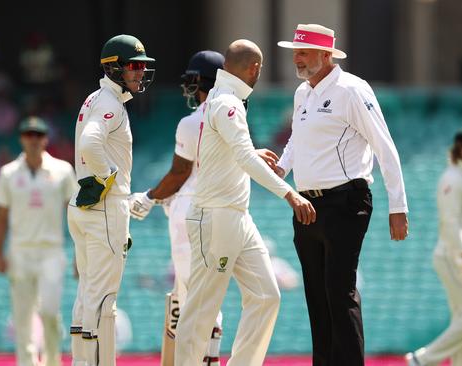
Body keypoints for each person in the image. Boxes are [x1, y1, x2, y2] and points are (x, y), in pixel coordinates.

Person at [173, 39, 315, 366]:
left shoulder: (228, 101)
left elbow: (238, 153)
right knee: (201, 309)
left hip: (236, 216)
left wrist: (252, 152)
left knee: (266, 295)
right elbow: (243, 159)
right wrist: (290, 194)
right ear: (254, 69)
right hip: (216, 216)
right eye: (259, 70)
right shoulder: (227, 104)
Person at [276, 24, 409, 366]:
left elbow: (384, 146)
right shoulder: (303, 93)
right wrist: (279, 169)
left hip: (345, 201)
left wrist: (399, 207)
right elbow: (296, 141)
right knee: (317, 297)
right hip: (307, 205)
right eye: (295, 52)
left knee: (339, 291)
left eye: (303, 52)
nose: (297, 58)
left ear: (326, 55)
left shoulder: (352, 89)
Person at [128, 50, 225, 366]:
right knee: (209, 296)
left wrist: (150, 197)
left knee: (188, 297)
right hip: (221, 214)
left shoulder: (191, 122)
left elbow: (180, 173)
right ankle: (208, 359)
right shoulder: (234, 117)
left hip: (189, 215)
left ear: (199, 82)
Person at [67, 34, 155, 366]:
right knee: (103, 296)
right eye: (134, 66)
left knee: (88, 290)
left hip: (86, 206)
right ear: (114, 68)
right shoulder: (109, 104)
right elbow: (90, 144)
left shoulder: (95, 99)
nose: (140, 73)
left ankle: (81, 361)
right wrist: (107, 178)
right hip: (105, 206)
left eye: (142, 67)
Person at [0, 117, 77, 366]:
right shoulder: (8, 173)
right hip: (20, 251)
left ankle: (52, 361)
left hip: (51, 252)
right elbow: (1, 215)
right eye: (29, 135)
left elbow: (74, 213)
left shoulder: (62, 171)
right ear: (21, 138)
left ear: (45, 139)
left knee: (50, 312)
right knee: (22, 317)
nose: (33, 140)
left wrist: (79, 254)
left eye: (38, 135)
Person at [406, 127, 462, 366]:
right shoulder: (453, 178)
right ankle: (422, 359)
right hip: (454, 257)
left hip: (460, 256)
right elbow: (450, 222)